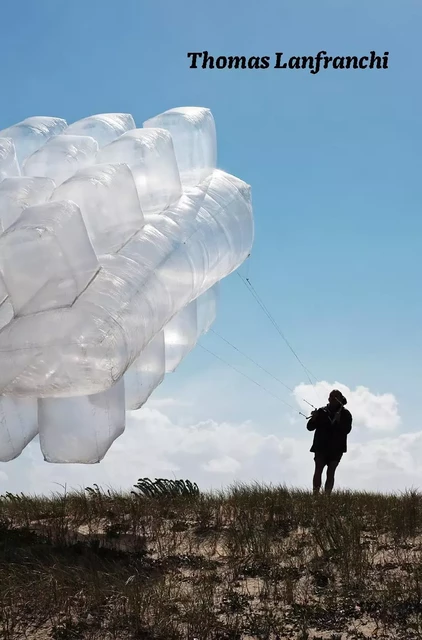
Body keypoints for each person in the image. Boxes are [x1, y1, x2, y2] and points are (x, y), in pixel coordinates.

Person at [306, 389, 352, 495]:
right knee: (318, 470)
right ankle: (315, 495)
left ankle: (327, 496)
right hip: (321, 446)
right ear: (328, 398)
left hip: (336, 448)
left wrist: (339, 420)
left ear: (341, 399)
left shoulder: (345, 414)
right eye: (331, 396)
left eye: (336, 397)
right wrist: (314, 418)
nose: (333, 399)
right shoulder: (322, 411)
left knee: (331, 472)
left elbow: (347, 430)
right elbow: (309, 427)